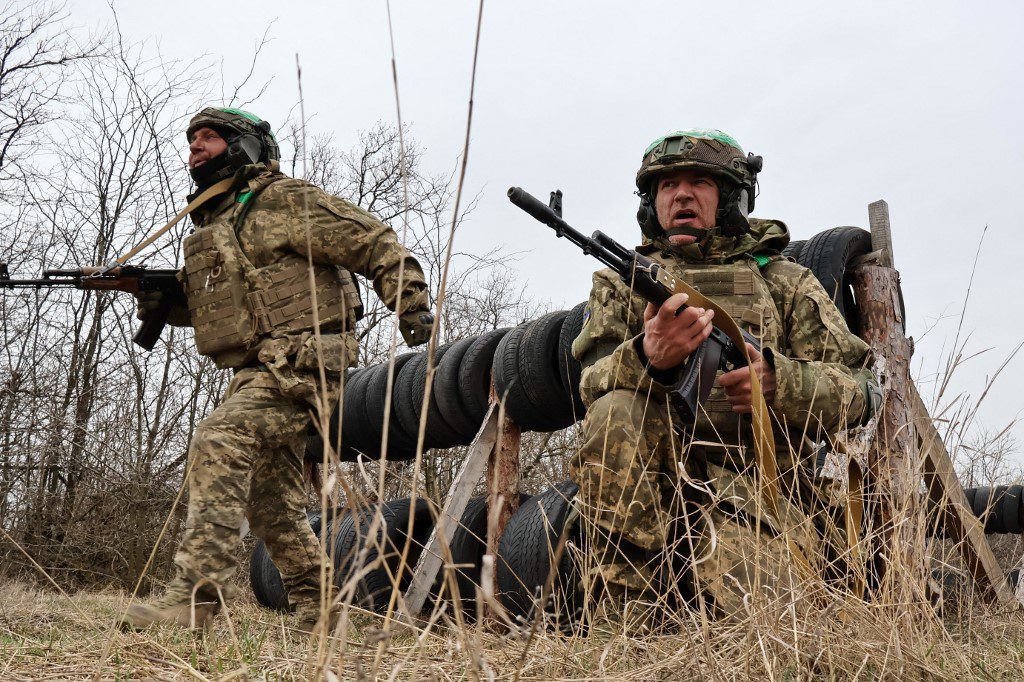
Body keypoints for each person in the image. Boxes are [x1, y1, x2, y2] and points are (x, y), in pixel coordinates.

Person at [122, 107, 434, 632]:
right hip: (257, 372)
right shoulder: (219, 225)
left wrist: (411, 304)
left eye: (210, 138)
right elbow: (217, 314)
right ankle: (326, 612)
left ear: (244, 146)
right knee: (272, 502)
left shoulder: (283, 201)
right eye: (192, 140)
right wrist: (156, 299)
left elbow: (372, 239)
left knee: (219, 439)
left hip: (304, 366)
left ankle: (197, 597)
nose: (196, 147)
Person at [570, 128, 880, 620]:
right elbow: (588, 382)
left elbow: (865, 391)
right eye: (667, 185)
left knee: (770, 636)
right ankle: (626, 628)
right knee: (612, 413)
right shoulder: (625, 281)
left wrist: (783, 382)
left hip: (760, 490)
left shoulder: (784, 280)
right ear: (652, 203)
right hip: (653, 491)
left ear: (733, 198)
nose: (681, 194)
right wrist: (649, 357)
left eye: (700, 182)